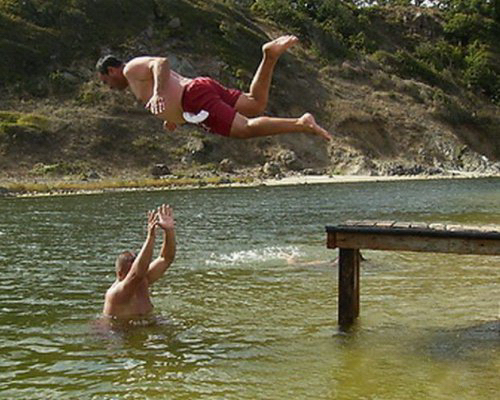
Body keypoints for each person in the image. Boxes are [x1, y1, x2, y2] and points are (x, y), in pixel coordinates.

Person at [96, 35, 331, 141]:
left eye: (106, 82)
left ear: (112, 70)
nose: (110, 88)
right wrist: (173, 118)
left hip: (194, 97)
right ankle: (269, 56)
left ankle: (301, 123)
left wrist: (159, 93)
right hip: (198, 91)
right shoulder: (134, 80)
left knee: (245, 129)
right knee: (255, 103)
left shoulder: (130, 68)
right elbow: (170, 87)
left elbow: (161, 63)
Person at [102, 204, 176, 319]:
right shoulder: (116, 294)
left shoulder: (143, 279)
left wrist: (169, 231)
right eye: (132, 267)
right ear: (120, 274)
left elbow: (166, 258)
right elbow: (137, 274)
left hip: (146, 324)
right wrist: (150, 237)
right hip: (119, 332)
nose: (140, 269)